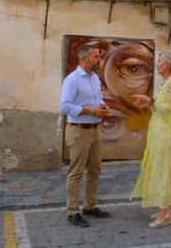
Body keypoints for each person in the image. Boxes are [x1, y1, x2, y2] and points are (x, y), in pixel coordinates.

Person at [131, 50, 171, 229]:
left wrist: (149, 101)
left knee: (163, 170)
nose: (157, 63)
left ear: (168, 64)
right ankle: (168, 209)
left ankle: (164, 215)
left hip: (166, 134)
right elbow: (161, 106)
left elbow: (168, 109)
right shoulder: (167, 83)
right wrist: (148, 103)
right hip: (161, 131)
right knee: (163, 168)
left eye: (160, 61)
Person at [60, 44, 111, 227]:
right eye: (96, 57)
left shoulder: (95, 78)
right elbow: (64, 106)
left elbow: (97, 100)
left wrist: (103, 106)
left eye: (98, 56)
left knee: (95, 169)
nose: (99, 59)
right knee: (76, 172)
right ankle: (72, 211)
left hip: (95, 129)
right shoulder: (72, 80)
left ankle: (89, 206)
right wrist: (91, 110)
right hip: (78, 130)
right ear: (84, 58)